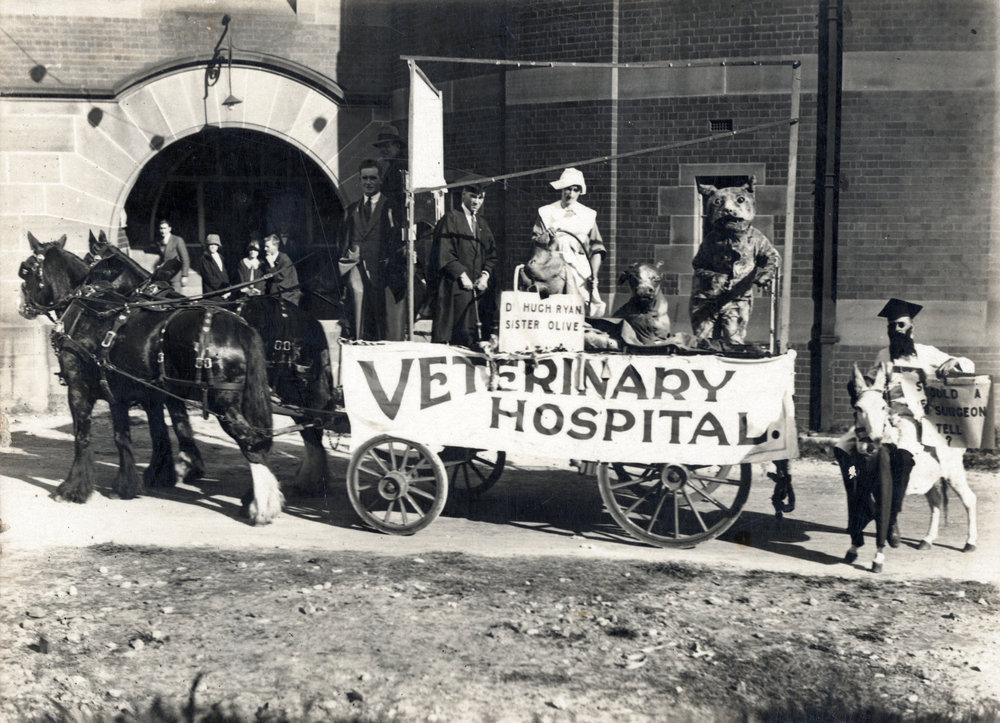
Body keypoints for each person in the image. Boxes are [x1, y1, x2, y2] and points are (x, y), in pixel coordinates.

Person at [834, 298, 974, 565]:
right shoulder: (883, 356)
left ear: (911, 327)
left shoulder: (926, 353)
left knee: (902, 456)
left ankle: (892, 515)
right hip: (883, 416)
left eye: (901, 325)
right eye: (892, 326)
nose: (896, 330)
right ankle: (858, 492)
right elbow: (872, 386)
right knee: (843, 447)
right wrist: (860, 388)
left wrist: (954, 362)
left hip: (912, 419)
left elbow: (967, 364)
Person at [338, 158, 407, 340]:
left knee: (386, 330)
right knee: (359, 329)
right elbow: (343, 243)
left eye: (373, 178)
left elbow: (399, 243)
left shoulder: (392, 208)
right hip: (358, 277)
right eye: (365, 178)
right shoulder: (351, 210)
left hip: (384, 276)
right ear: (359, 180)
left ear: (380, 180)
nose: (368, 182)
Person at [430, 179, 498, 347]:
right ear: (463, 195)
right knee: (460, 331)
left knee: (477, 334)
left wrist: (485, 275)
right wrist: (461, 274)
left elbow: (491, 254)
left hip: (478, 287)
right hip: (456, 286)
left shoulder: (482, 223)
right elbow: (444, 251)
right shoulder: (451, 218)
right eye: (473, 196)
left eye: (480, 198)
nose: (477, 201)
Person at [531, 168, 606, 314]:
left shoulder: (588, 215)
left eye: (575, 190)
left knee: (578, 305)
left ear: (579, 192)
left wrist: (594, 275)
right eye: (567, 189)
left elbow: (597, 248)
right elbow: (535, 242)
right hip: (550, 267)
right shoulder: (546, 212)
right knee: (549, 305)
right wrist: (546, 237)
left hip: (579, 268)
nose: (570, 194)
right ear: (562, 189)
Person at [373, 124, 407, 216]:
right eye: (380, 146)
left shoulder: (399, 165)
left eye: (386, 146)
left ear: (397, 146)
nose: (383, 150)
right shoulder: (394, 165)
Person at [263, 234, 301, 305]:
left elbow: (279, 278)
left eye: (267, 246)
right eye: (265, 246)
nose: (265, 249)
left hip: (288, 296)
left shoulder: (284, 259)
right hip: (275, 294)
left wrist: (271, 264)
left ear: (275, 246)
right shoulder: (269, 258)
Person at [154, 218, 190, 293]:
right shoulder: (160, 242)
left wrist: (184, 275)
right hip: (164, 277)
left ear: (169, 229)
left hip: (175, 277)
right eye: (161, 228)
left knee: (176, 298)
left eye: (165, 228)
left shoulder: (177, 240)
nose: (162, 231)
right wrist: (159, 266)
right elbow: (163, 258)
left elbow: (185, 259)